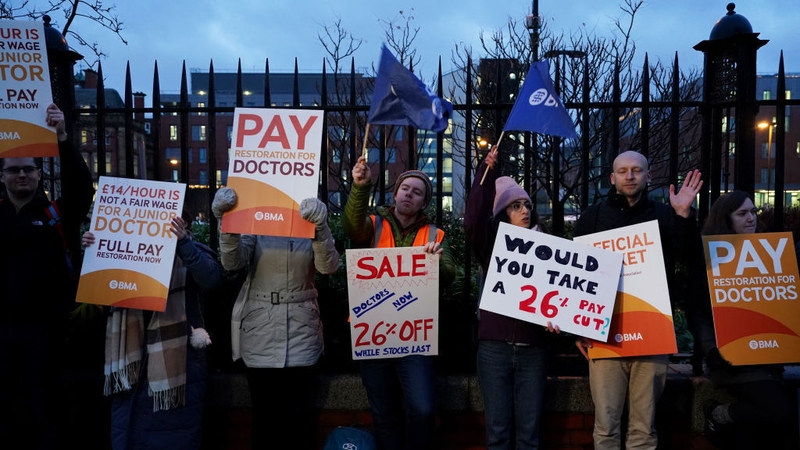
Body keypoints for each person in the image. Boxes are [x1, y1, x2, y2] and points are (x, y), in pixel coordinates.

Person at [573, 151, 703, 450]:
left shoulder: (665, 214)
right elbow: (576, 275)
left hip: (651, 332)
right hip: (604, 333)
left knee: (644, 430)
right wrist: (576, 328)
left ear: (648, 175)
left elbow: (690, 259)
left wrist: (683, 216)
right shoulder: (592, 216)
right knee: (605, 427)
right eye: (622, 171)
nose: (629, 176)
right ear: (612, 178)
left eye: (636, 170)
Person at [341, 157, 456, 450]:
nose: (409, 194)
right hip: (373, 335)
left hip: (414, 340)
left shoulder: (435, 235)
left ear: (423, 203)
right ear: (395, 194)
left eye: (417, 192)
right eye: (405, 188)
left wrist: (437, 262)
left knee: (423, 409)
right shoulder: (373, 224)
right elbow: (351, 227)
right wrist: (360, 187)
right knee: (384, 414)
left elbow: (450, 275)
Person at [212, 188, 340, 449]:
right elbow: (232, 262)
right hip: (261, 332)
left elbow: (329, 267)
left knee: (300, 422)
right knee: (265, 421)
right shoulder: (256, 221)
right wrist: (227, 224)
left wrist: (321, 227)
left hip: (301, 332)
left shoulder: (310, 218)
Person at [83, 212, 222, 449]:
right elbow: (96, 287)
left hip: (179, 360)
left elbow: (210, 279)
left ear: (184, 223)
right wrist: (94, 250)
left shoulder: (192, 250)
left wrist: (183, 244)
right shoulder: (124, 249)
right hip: (132, 357)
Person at [0, 104, 95, 448]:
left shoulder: (56, 213)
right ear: (2, 176)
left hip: (48, 333)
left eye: (28, 169)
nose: (21, 175)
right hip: (3, 333)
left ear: (40, 174)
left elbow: (83, 188)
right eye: (13, 170)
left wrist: (63, 139)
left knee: (47, 413)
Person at [464, 149, 559, 450]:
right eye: (515, 205)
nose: (524, 210)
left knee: (529, 438)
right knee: (498, 435)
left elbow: (564, 296)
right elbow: (473, 221)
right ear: (502, 212)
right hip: (494, 348)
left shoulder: (551, 248)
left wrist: (561, 322)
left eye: (527, 205)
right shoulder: (489, 247)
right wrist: (485, 174)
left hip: (534, 349)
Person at [687, 190, 796, 449]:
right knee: (781, 414)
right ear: (726, 219)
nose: (751, 218)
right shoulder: (709, 259)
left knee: (761, 433)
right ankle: (718, 413)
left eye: (753, 212)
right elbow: (697, 312)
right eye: (742, 213)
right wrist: (711, 350)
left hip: (769, 358)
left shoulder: (770, 253)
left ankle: (724, 419)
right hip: (731, 360)